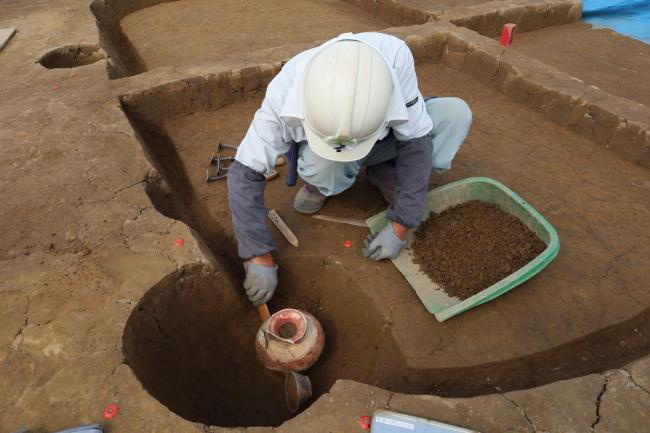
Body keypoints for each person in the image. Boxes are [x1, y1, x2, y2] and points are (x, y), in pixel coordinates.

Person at [227, 32, 472, 307]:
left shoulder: (395, 56)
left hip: (385, 139)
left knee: (455, 114)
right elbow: (244, 173)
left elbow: (416, 139)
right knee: (326, 165)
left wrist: (402, 223)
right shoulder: (285, 89)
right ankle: (320, 185)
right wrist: (257, 254)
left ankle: (385, 169)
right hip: (331, 156)